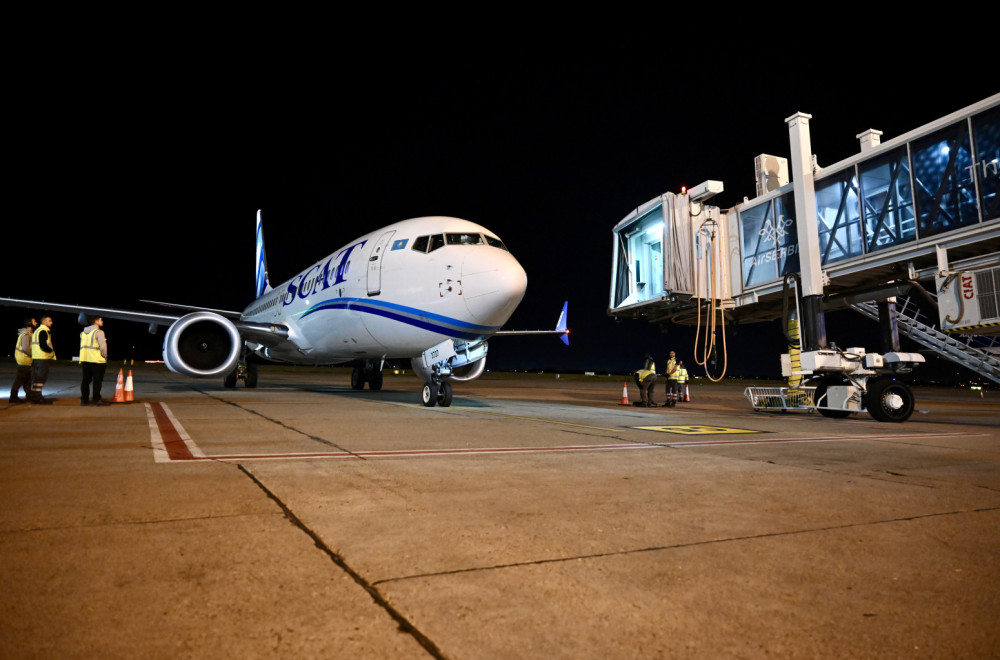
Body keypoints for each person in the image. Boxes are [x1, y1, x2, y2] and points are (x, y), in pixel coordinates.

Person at [80, 316, 110, 406]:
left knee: (85, 380)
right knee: (97, 381)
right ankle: (96, 399)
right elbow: (103, 347)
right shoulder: (99, 332)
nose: (102, 321)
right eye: (101, 320)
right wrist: (104, 355)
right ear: (96, 321)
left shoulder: (83, 333)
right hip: (97, 360)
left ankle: (84, 399)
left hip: (85, 359)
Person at [29, 315, 56, 404]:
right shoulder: (43, 331)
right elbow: (43, 345)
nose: (51, 322)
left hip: (37, 357)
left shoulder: (37, 330)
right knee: (41, 378)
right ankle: (37, 398)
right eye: (49, 320)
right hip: (42, 357)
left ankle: (35, 396)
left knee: (37, 378)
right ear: (44, 322)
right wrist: (50, 350)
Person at [9, 317, 37, 403]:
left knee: (27, 380)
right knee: (20, 380)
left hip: (27, 361)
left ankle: (29, 396)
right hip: (24, 360)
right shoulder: (26, 335)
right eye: (34, 321)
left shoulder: (29, 334)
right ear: (29, 323)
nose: (36, 322)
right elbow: (26, 349)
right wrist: (35, 355)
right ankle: (13, 397)